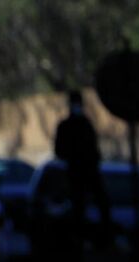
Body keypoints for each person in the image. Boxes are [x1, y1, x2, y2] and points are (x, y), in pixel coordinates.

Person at [53, 90, 111, 246]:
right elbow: (59, 151)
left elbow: (94, 148)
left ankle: (104, 236)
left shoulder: (86, 124)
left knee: (101, 203)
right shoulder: (67, 126)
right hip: (77, 174)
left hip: (88, 172)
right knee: (78, 208)